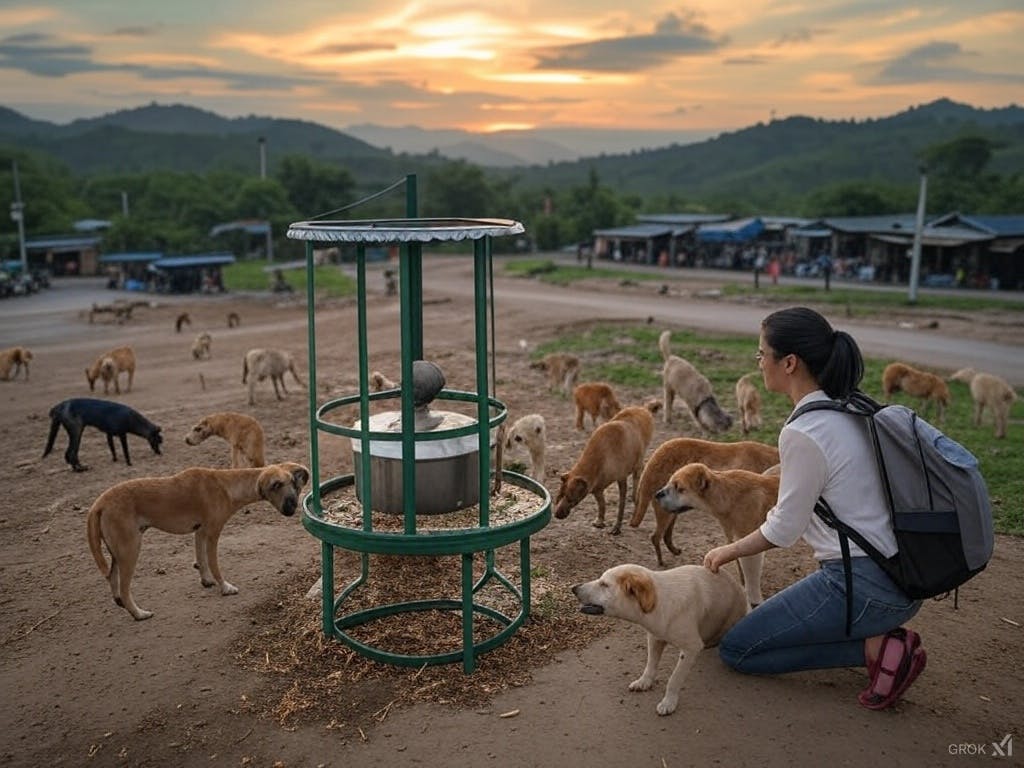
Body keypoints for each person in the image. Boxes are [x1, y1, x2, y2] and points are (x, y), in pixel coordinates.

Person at [703, 306, 926, 710]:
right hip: (905, 576)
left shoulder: (804, 431)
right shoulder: (852, 406)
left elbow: (784, 530)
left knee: (739, 649)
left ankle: (879, 648)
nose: (758, 363)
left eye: (761, 354)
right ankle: (878, 637)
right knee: (774, 626)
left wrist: (727, 550)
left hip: (861, 585)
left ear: (789, 362)